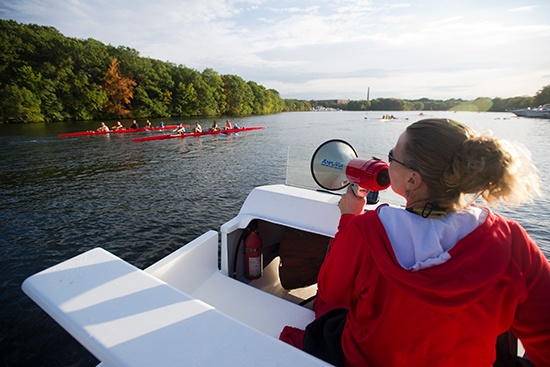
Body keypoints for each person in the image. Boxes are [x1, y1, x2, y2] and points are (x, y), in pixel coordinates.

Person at [280, 118, 550, 367]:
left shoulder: (366, 230)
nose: (387, 163)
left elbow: (331, 291)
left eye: (391, 157)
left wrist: (349, 218)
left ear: (412, 179)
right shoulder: (511, 240)